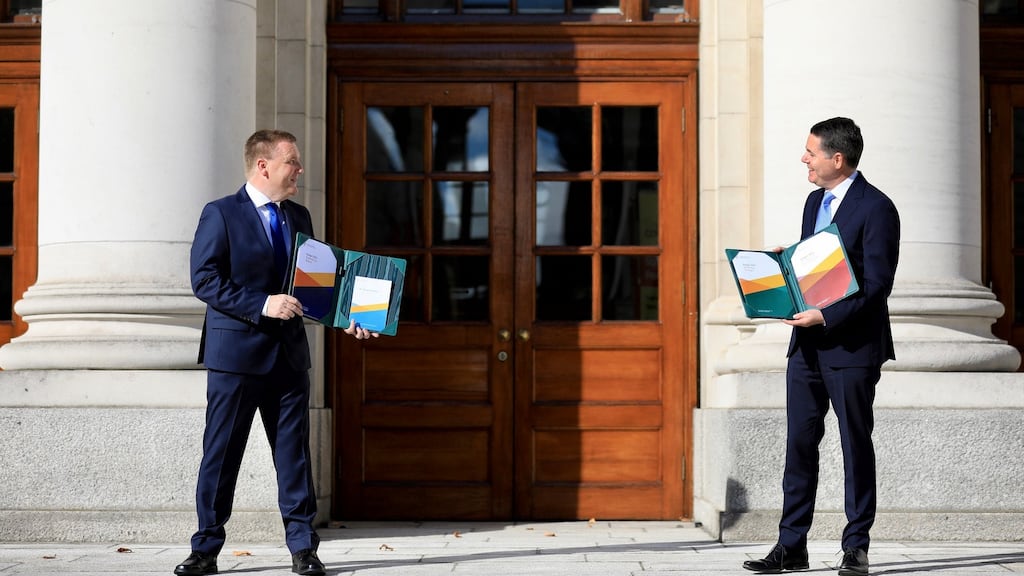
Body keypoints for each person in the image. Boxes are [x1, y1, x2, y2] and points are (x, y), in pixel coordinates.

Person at [176, 129, 376, 576]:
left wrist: (347, 316)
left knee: (294, 456)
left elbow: (315, 285)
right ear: (263, 165)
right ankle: (205, 549)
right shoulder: (221, 214)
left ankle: (304, 549)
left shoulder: (299, 216)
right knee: (221, 455)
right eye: (293, 163)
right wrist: (262, 304)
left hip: (288, 358)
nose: (300, 171)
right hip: (235, 360)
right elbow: (204, 280)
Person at [743, 117, 900, 576]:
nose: (803, 159)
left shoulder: (878, 208)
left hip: (852, 347)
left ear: (838, 158)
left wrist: (827, 316)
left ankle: (856, 548)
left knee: (855, 445)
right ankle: (791, 546)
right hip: (806, 348)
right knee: (799, 446)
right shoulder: (815, 202)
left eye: (811, 152)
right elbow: (819, 267)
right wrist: (783, 266)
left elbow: (876, 286)